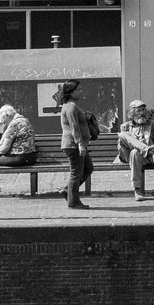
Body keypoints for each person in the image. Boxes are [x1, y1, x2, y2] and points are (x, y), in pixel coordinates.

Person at [117, 99, 154, 201]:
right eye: (138, 111)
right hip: (128, 156)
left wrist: (152, 148)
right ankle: (149, 153)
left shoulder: (152, 124)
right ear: (132, 113)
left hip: (144, 158)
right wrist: (150, 151)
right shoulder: (126, 126)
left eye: (143, 110)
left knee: (135, 153)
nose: (141, 113)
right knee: (122, 135)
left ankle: (137, 191)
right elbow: (122, 145)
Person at [57, 79, 92, 209]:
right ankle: (73, 202)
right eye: (78, 90)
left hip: (76, 144)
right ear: (70, 92)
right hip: (73, 145)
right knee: (76, 173)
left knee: (88, 168)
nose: (80, 92)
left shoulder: (72, 106)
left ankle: (68, 191)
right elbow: (74, 127)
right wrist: (80, 144)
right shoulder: (71, 106)